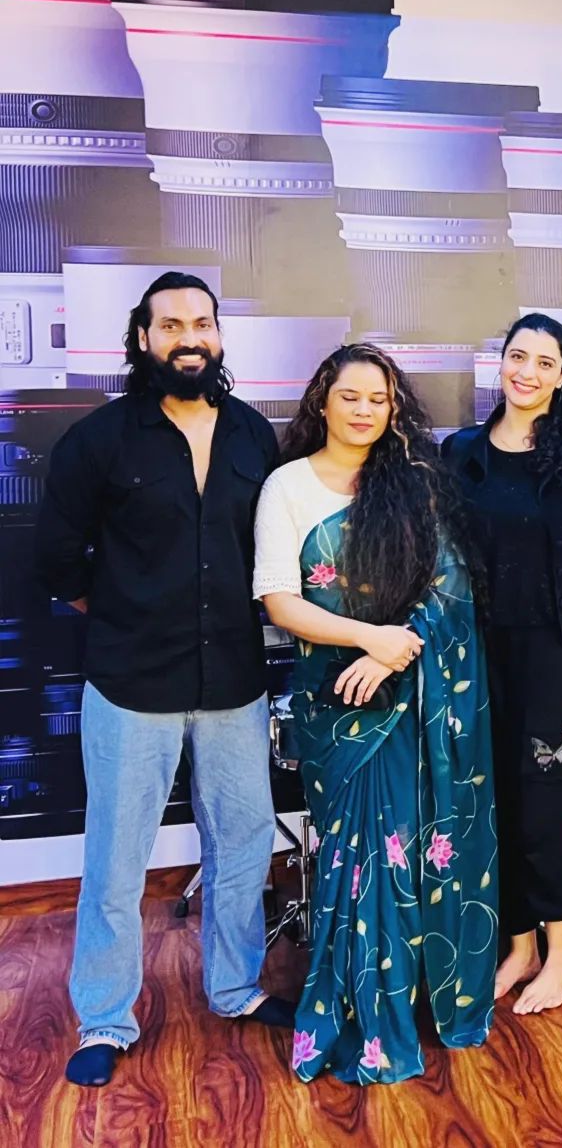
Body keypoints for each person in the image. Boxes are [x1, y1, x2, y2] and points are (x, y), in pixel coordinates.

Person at [35, 272, 289, 1088]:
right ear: (143, 337)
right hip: (129, 682)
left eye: (203, 322)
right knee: (116, 860)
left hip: (235, 684)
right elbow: (56, 559)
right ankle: (106, 1017)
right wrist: (123, 609)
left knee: (245, 847)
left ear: (218, 337)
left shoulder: (254, 435)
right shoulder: (98, 439)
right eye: (171, 323)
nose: (189, 336)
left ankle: (237, 988)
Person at [254, 343, 497, 1084]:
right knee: (360, 858)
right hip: (339, 697)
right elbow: (277, 599)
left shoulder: (415, 485)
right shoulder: (288, 486)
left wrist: (397, 649)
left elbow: (450, 587)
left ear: (395, 411)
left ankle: (421, 995)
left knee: (418, 846)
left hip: (416, 692)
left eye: (378, 398)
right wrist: (369, 640)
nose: (363, 409)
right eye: (350, 395)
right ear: (322, 401)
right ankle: (364, 1006)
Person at [442, 314, 562, 1016]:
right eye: (516, 356)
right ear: (501, 364)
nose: (526, 371)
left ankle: (561, 953)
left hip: (559, 658)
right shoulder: (462, 454)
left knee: (550, 810)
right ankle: (517, 948)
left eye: (543, 362)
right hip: (480, 656)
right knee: (497, 807)